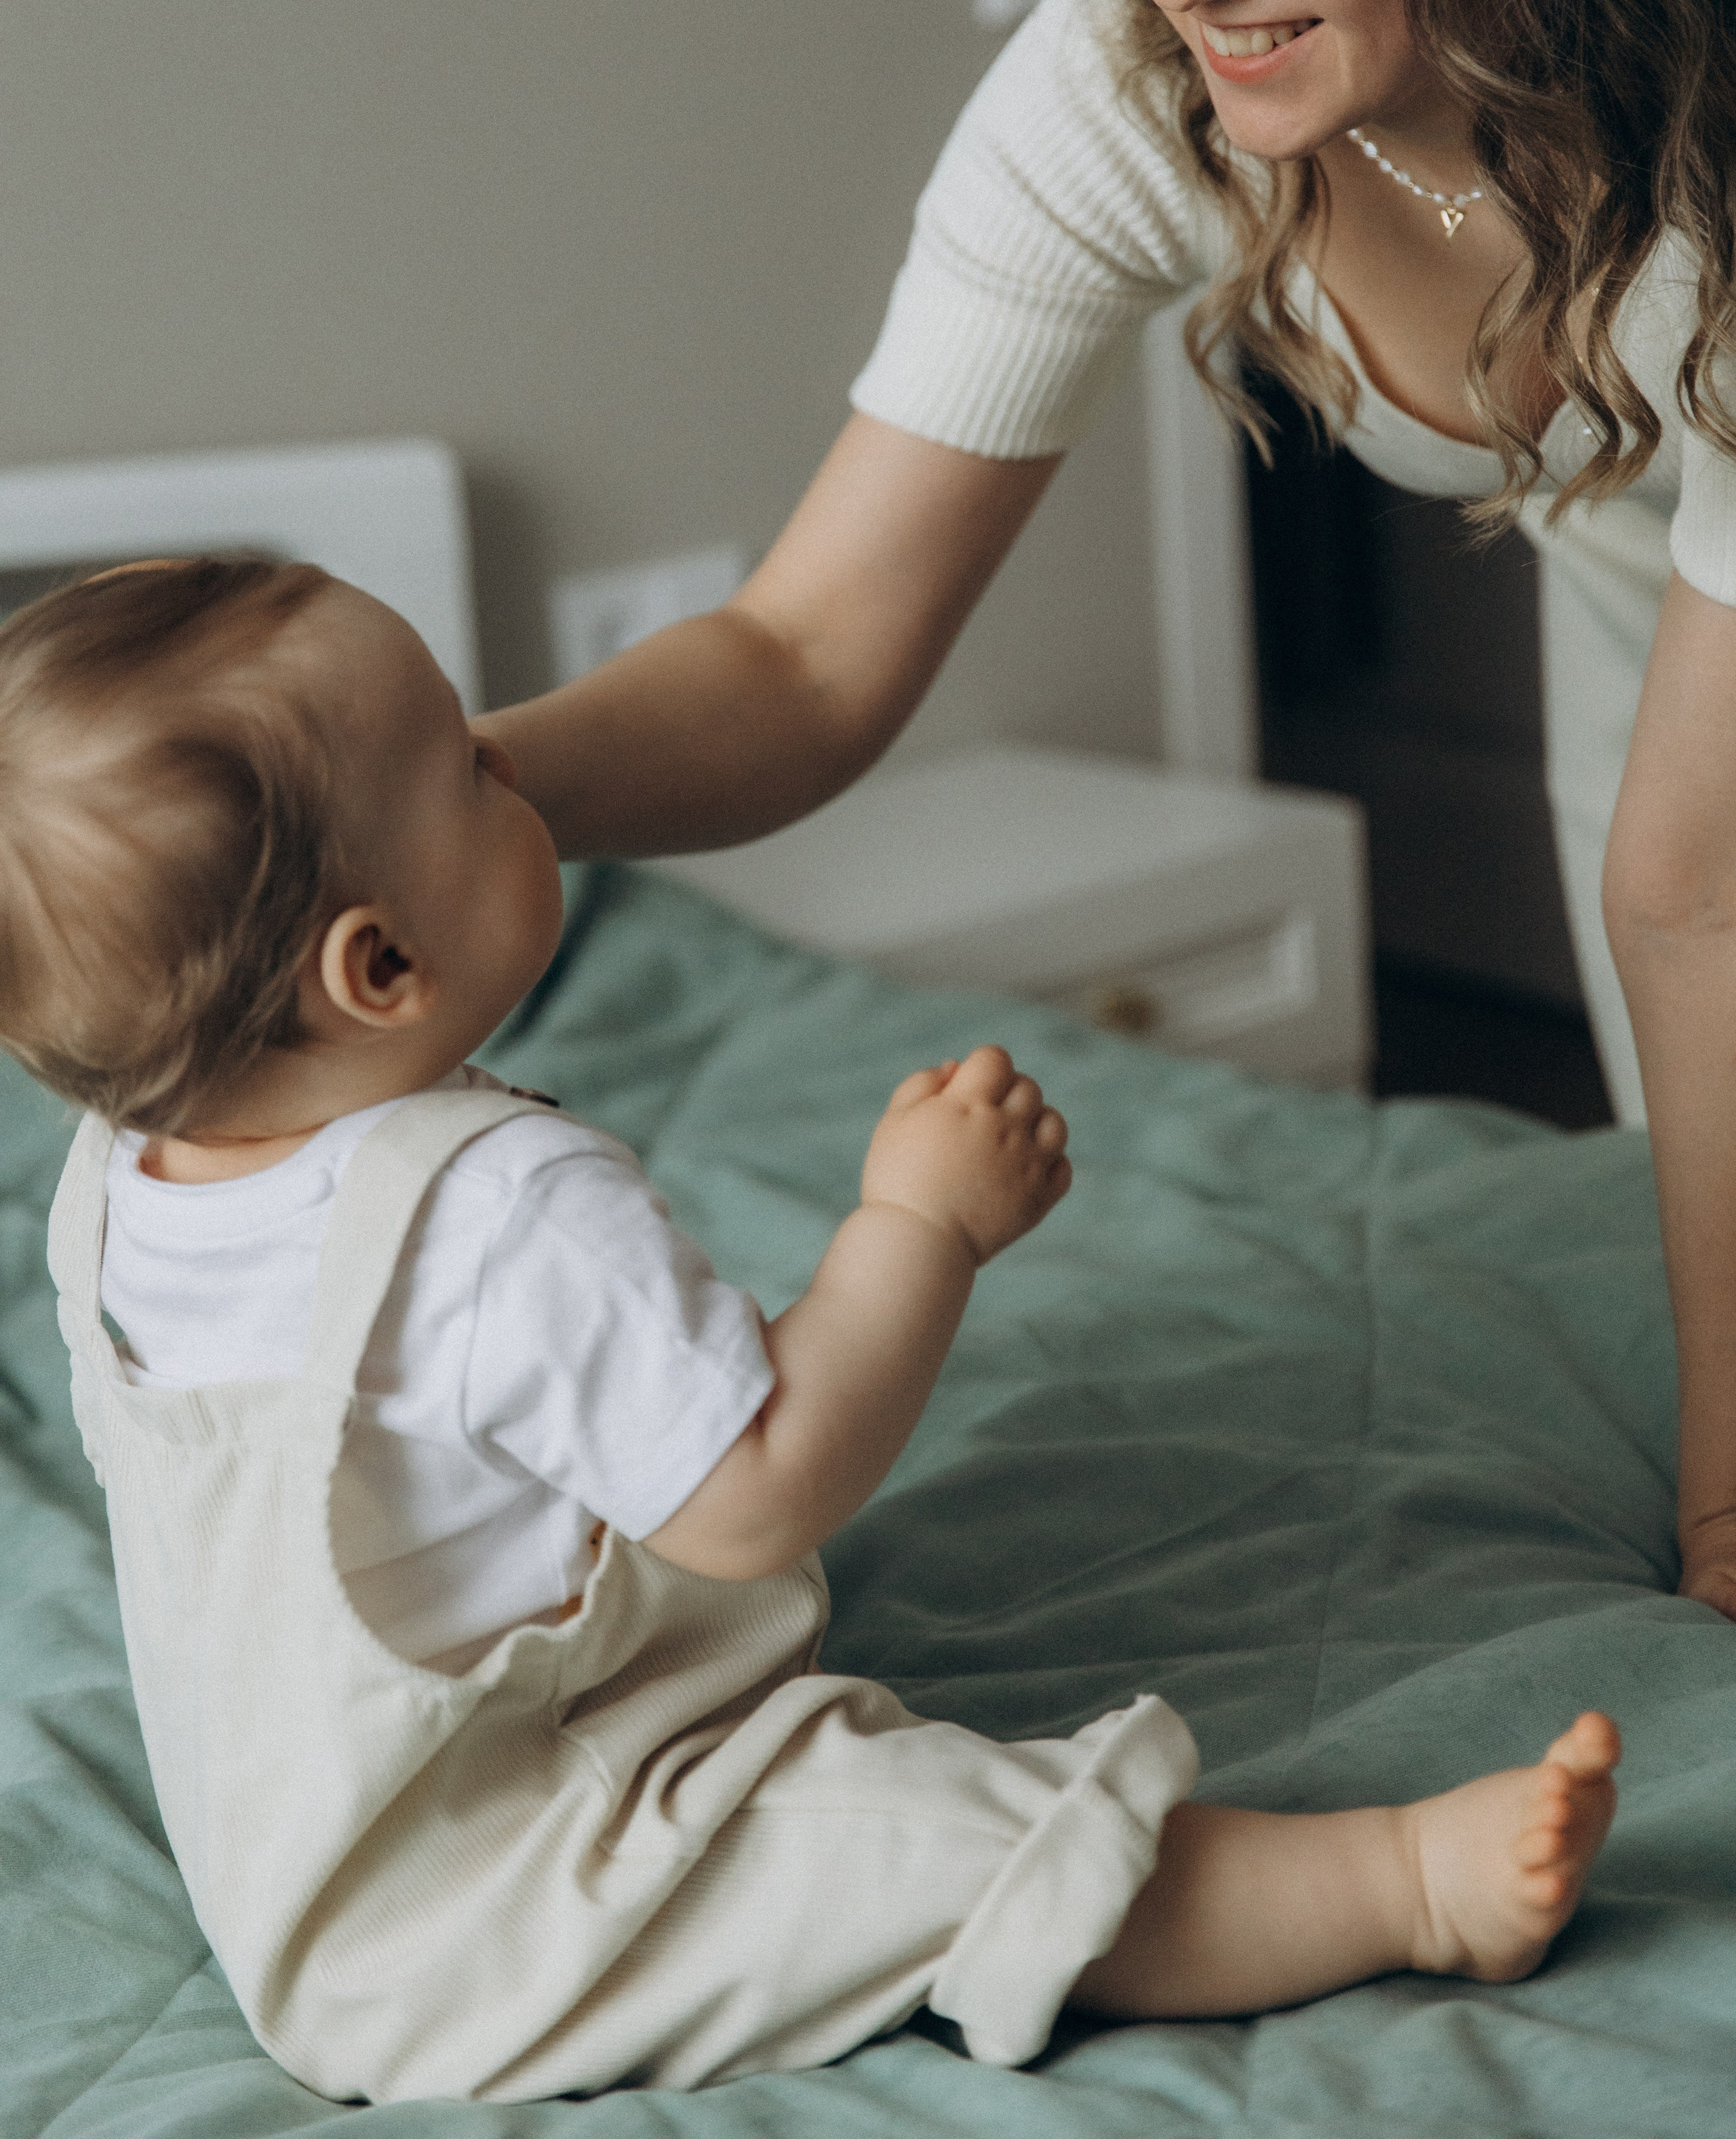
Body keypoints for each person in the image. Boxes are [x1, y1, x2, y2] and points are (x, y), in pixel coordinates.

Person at [474, 0, 1736, 1626]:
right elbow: (804, 655)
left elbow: (1700, 885)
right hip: (1645, 581)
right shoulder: (1135, 89)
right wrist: (426, 790)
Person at [10, 556, 1617, 2101]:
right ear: (381, 966)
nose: (517, 759)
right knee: (954, 1849)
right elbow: (762, 1487)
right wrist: (920, 1228)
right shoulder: (495, 1211)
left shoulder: (118, 1188)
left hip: (309, 1863)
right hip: (519, 1898)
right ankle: (1399, 1883)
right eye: (465, 763)